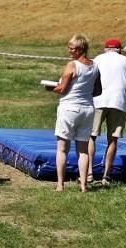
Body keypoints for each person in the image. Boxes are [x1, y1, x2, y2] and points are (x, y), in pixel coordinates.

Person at [46, 34, 101, 192]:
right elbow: (98, 90)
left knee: (62, 148)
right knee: (83, 149)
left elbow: (62, 89)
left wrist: (50, 88)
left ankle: (60, 185)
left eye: (73, 48)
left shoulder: (72, 65)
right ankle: (84, 185)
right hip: (88, 109)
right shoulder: (95, 66)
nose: (70, 51)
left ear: (81, 49)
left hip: (70, 108)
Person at [88, 39, 126, 186]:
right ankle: (106, 176)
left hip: (97, 101)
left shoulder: (97, 59)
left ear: (105, 49)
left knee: (91, 137)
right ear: (120, 49)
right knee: (113, 139)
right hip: (118, 103)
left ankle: (89, 173)